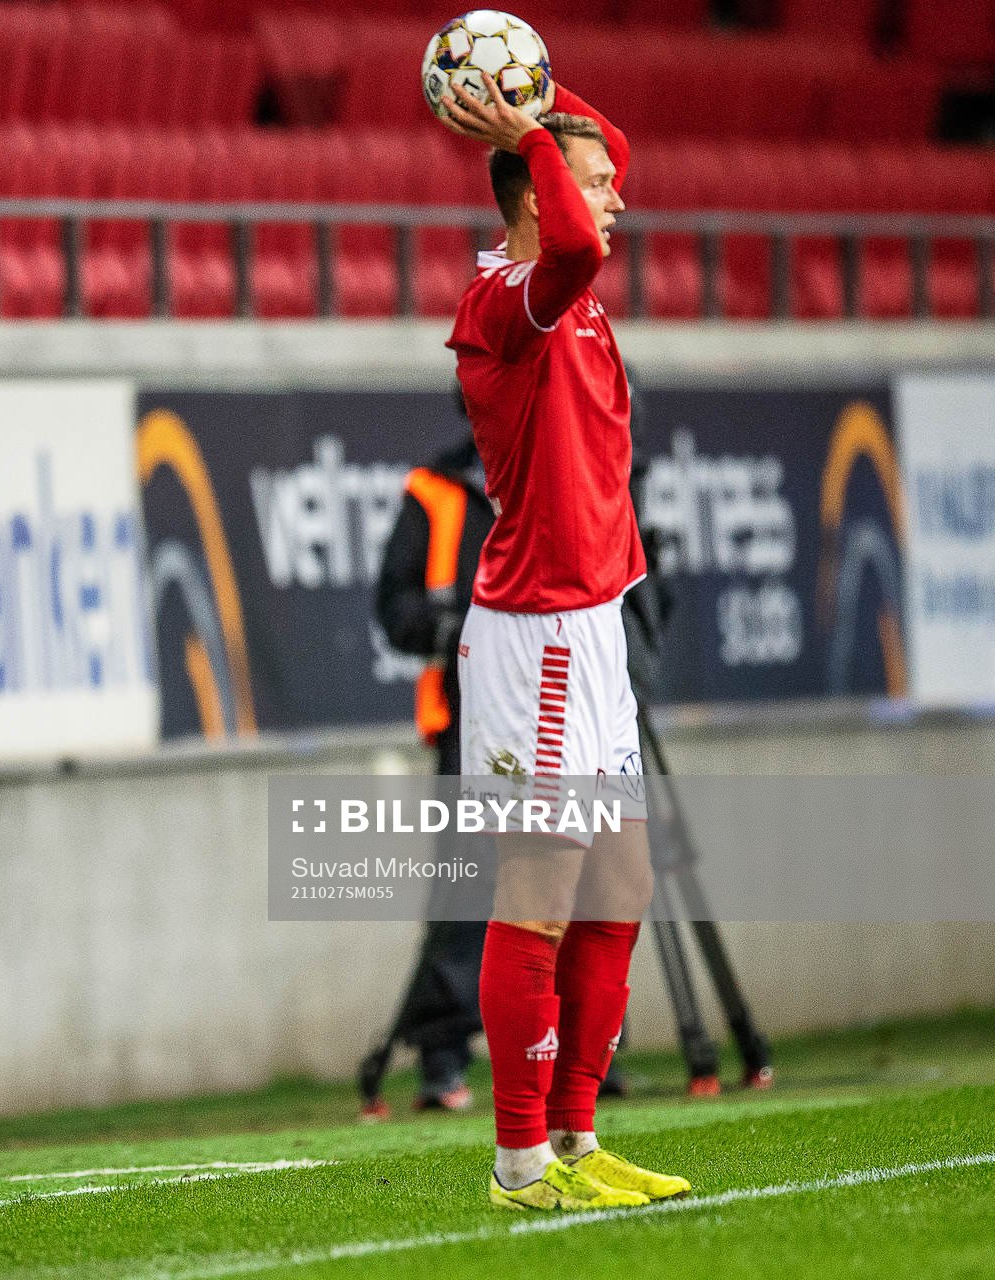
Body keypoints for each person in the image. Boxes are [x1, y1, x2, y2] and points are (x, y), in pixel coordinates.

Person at [438, 77, 691, 1211]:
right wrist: (534, 133)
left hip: (590, 625)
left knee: (621, 878)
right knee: (536, 892)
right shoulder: (512, 301)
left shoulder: (558, 262)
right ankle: (516, 1161)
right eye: (594, 188)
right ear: (536, 202)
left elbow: (610, 155)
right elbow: (580, 240)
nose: (614, 204)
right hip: (534, 631)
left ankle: (580, 1138)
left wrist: (530, 90)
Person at [357, 426, 497, 1118]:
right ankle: (443, 1058)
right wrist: (456, 627)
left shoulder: (560, 469)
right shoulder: (432, 491)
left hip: (559, 700)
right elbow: (394, 608)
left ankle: (588, 1054)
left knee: (574, 871)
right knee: (464, 887)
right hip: (466, 715)